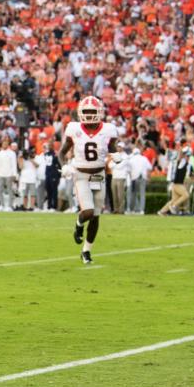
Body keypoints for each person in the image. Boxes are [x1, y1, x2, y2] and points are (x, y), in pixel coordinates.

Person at [58, 96, 120, 264]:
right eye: (87, 112)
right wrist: (64, 165)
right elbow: (61, 153)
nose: (90, 115)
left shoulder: (108, 129)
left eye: (93, 112)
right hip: (81, 175)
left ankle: (86, 250)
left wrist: (117, 157)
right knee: (88, 211)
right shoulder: (74, 129)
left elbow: (111, 147)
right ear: (80, 113)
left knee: (96, 216)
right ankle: (78, 224)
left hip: (99, 174)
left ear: (99, 112)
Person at [158, 147, 194, 216]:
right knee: (186, 195)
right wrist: (182, 148)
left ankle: (162, 211)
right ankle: (173, 206)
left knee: (173, 200)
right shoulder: (181, 162)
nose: (188, 158)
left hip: (176, 185)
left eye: (189, 156)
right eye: (187, 156)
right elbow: (180, 155)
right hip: (178, 184)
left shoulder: (189, 165)